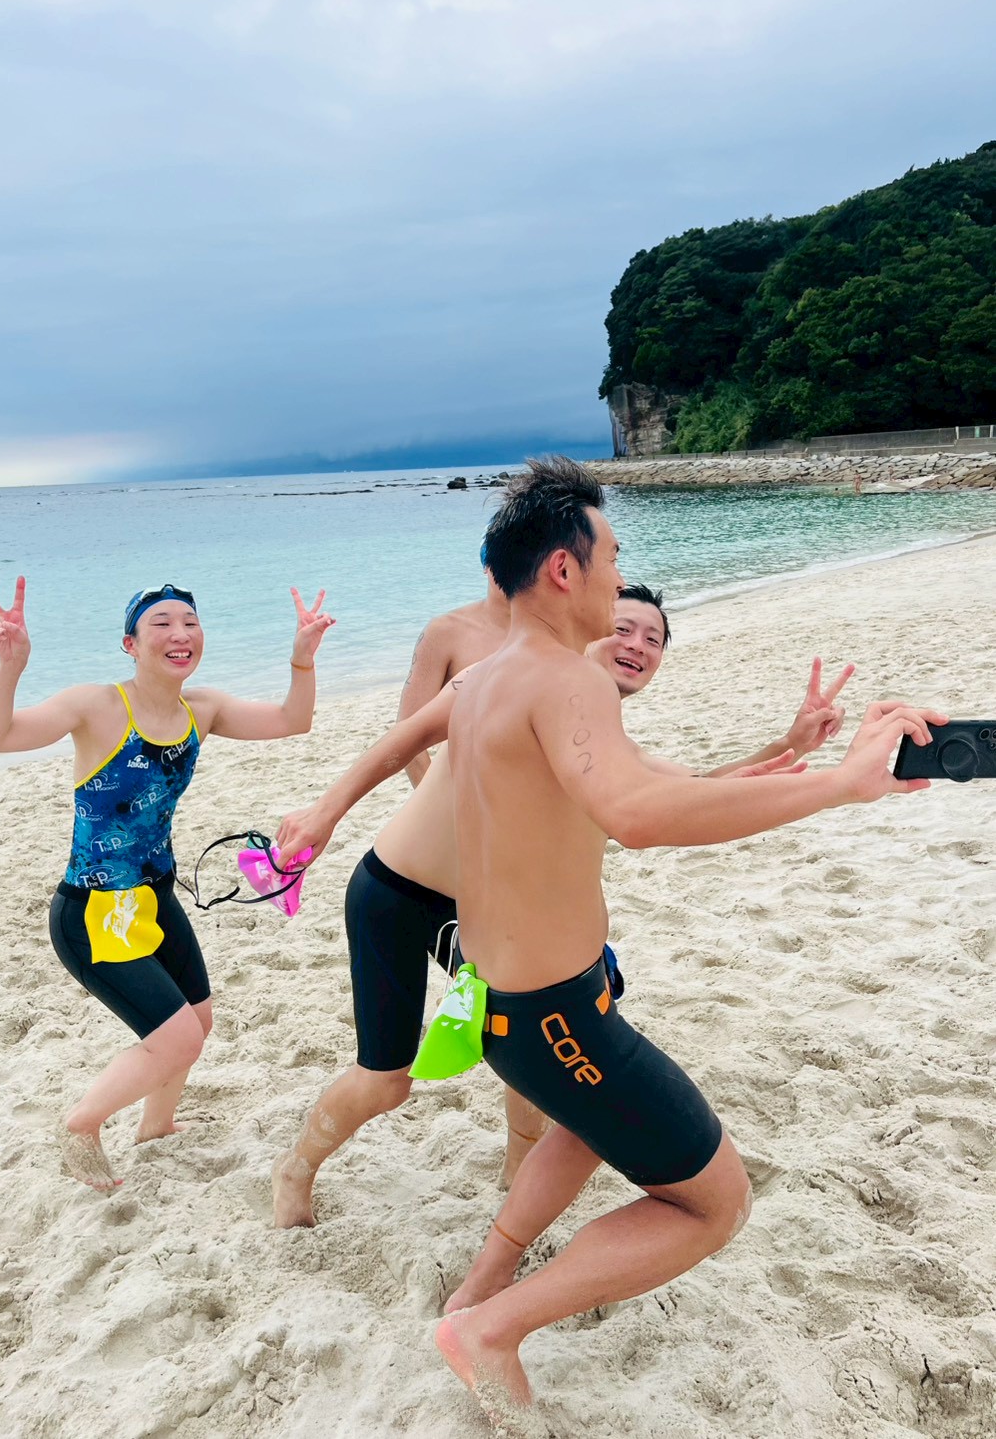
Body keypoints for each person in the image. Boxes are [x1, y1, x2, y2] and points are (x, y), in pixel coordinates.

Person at [431, 456, 941, 1426]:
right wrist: (840, 786)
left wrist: (798, 755)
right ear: (564, 570)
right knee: (714, 1202)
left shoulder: (489, 679)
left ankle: (479, 1284)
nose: (622, 579)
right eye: (614, 557)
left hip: (494, 998)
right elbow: (637, 815)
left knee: (588, 1125)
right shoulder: (567, 682)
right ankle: (489, 1328)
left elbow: (653, 785)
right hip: (554, 1016)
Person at [271, 579, 851, 1226]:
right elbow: (402, 739)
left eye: (653, 639)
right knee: (385, 1081)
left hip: (483, 912)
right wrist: (324, 812)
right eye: (623, 627)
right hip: (396, 894)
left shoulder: (610, 746)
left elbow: (691, 790)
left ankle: (518, 1172)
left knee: (531, 1035)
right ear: (590, 623)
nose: (637, 645)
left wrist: (791, 745)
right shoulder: (504, 678)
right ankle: (296, 1168)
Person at [0, 577, 334, 1193]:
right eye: (161, 623)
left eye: (189, 622)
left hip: (156, 896)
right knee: (175, 1039)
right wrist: (11, 667)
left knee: (199, 1020)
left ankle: (156, 1126)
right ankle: (81, 1125)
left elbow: (293, 721)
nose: (179, 633)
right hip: (93, 908)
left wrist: (302, 658)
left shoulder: (202, 710)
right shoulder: (96, 706)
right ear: (130, 644)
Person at [396, 569, 510, 785]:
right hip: (471, 792)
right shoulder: (446, 632)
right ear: (486, 564)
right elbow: (406, 734)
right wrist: (434, 799)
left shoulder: (565, 629)